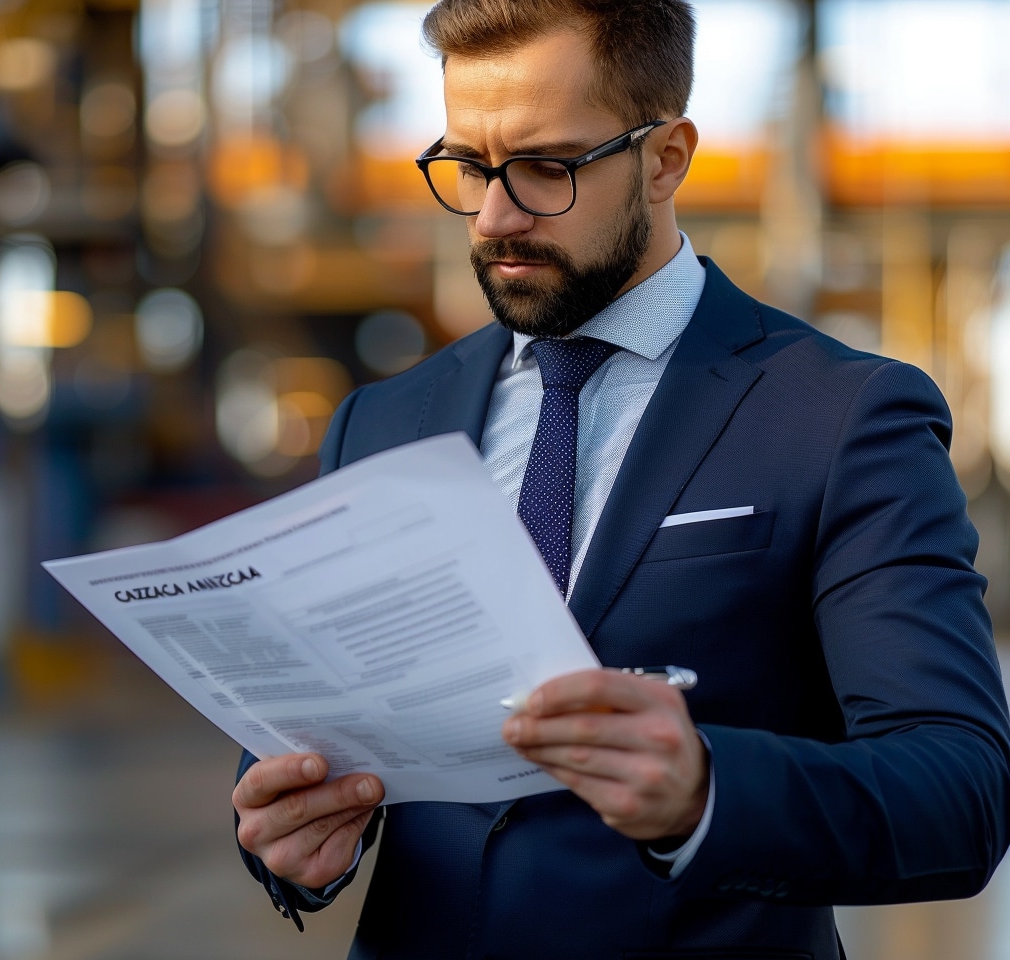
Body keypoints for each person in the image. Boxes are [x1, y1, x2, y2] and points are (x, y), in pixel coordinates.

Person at [232, 1, 1010, 956]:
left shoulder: (842, 416)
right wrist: (295, 835)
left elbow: (958, 790)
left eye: (545, 169)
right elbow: (316, 725)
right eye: (468, 166)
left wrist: (706, 792)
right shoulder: (381, 422)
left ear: (667, 157)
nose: (493, 215)